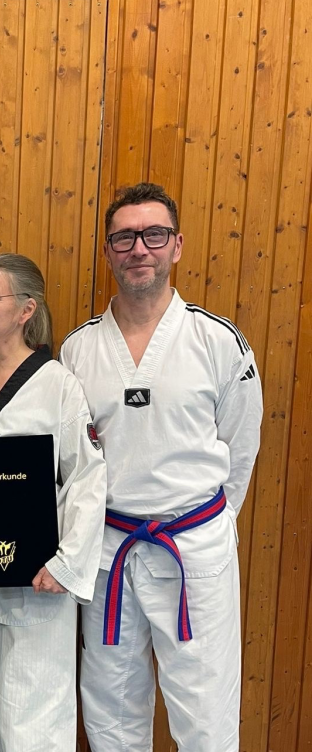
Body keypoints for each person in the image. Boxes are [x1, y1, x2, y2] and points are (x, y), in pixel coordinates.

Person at [59, 183, 263, 752]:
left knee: (205, 713)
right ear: (108, 251)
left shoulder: (217, 341)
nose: (139, 249)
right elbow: (72, 459)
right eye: (124, 237)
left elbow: (241, 446)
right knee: (110, 709)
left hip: (192, 550)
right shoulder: (78, 349)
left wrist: (207, 523)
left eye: (154, 234)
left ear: (176, 245)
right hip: (111, 551)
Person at [0, 254, 107, 752]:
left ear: (25, 310)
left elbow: (87, 478)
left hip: (36, 585)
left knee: (32, 729)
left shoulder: (58, 385)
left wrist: (66, 564)